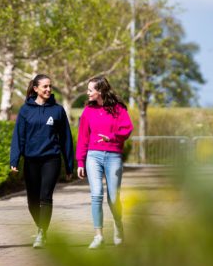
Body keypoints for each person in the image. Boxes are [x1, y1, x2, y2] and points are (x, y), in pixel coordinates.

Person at [10, 74, 74, 249]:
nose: (48, 90)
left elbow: (66, 139)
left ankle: (41, 233)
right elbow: (18, 137)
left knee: (45, 197)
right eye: (44, 86)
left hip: (51, 160)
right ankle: (41, 227)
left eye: (50, 86)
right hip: (31, 161)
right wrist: (14, 159)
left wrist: (69, 165)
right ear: (36, 89)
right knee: (32, 201)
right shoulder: (25, 110)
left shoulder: (58, 110)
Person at [76, 76, 133, 249]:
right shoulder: (88, 111)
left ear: (100, 91)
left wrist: (112, 137)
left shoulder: (118, 109)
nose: (88, 93)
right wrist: (80, 161)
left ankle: (118, 224)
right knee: (96, 194)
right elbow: (82, 137)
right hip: (93, 156)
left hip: (113, 156)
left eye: (90, 90)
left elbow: (127, 129)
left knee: (114, 197)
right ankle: (98, 235)